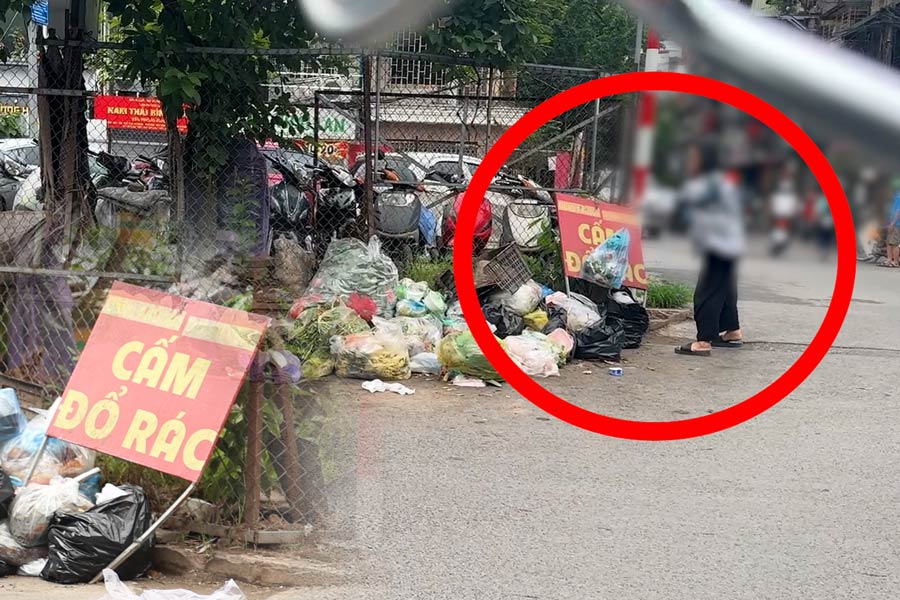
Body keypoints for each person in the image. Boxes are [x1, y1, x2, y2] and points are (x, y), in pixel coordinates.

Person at [675, 144, 746, 357]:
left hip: (718, 243)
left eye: (693, 158)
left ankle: (704, 341)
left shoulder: (703, 183)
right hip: (733, 242)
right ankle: (732, 331)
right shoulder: (723, 180)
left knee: (707, 291)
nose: (690, 162)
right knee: (725, 287)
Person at [883, 179, 900, 268]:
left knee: (894, 243)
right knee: (889, 242)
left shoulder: (899, 197)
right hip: (892, 222)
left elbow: (898, 211)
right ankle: (889, 259)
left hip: (897, 224)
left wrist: (892, 224)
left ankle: (895, 261)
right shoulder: (895, 197)